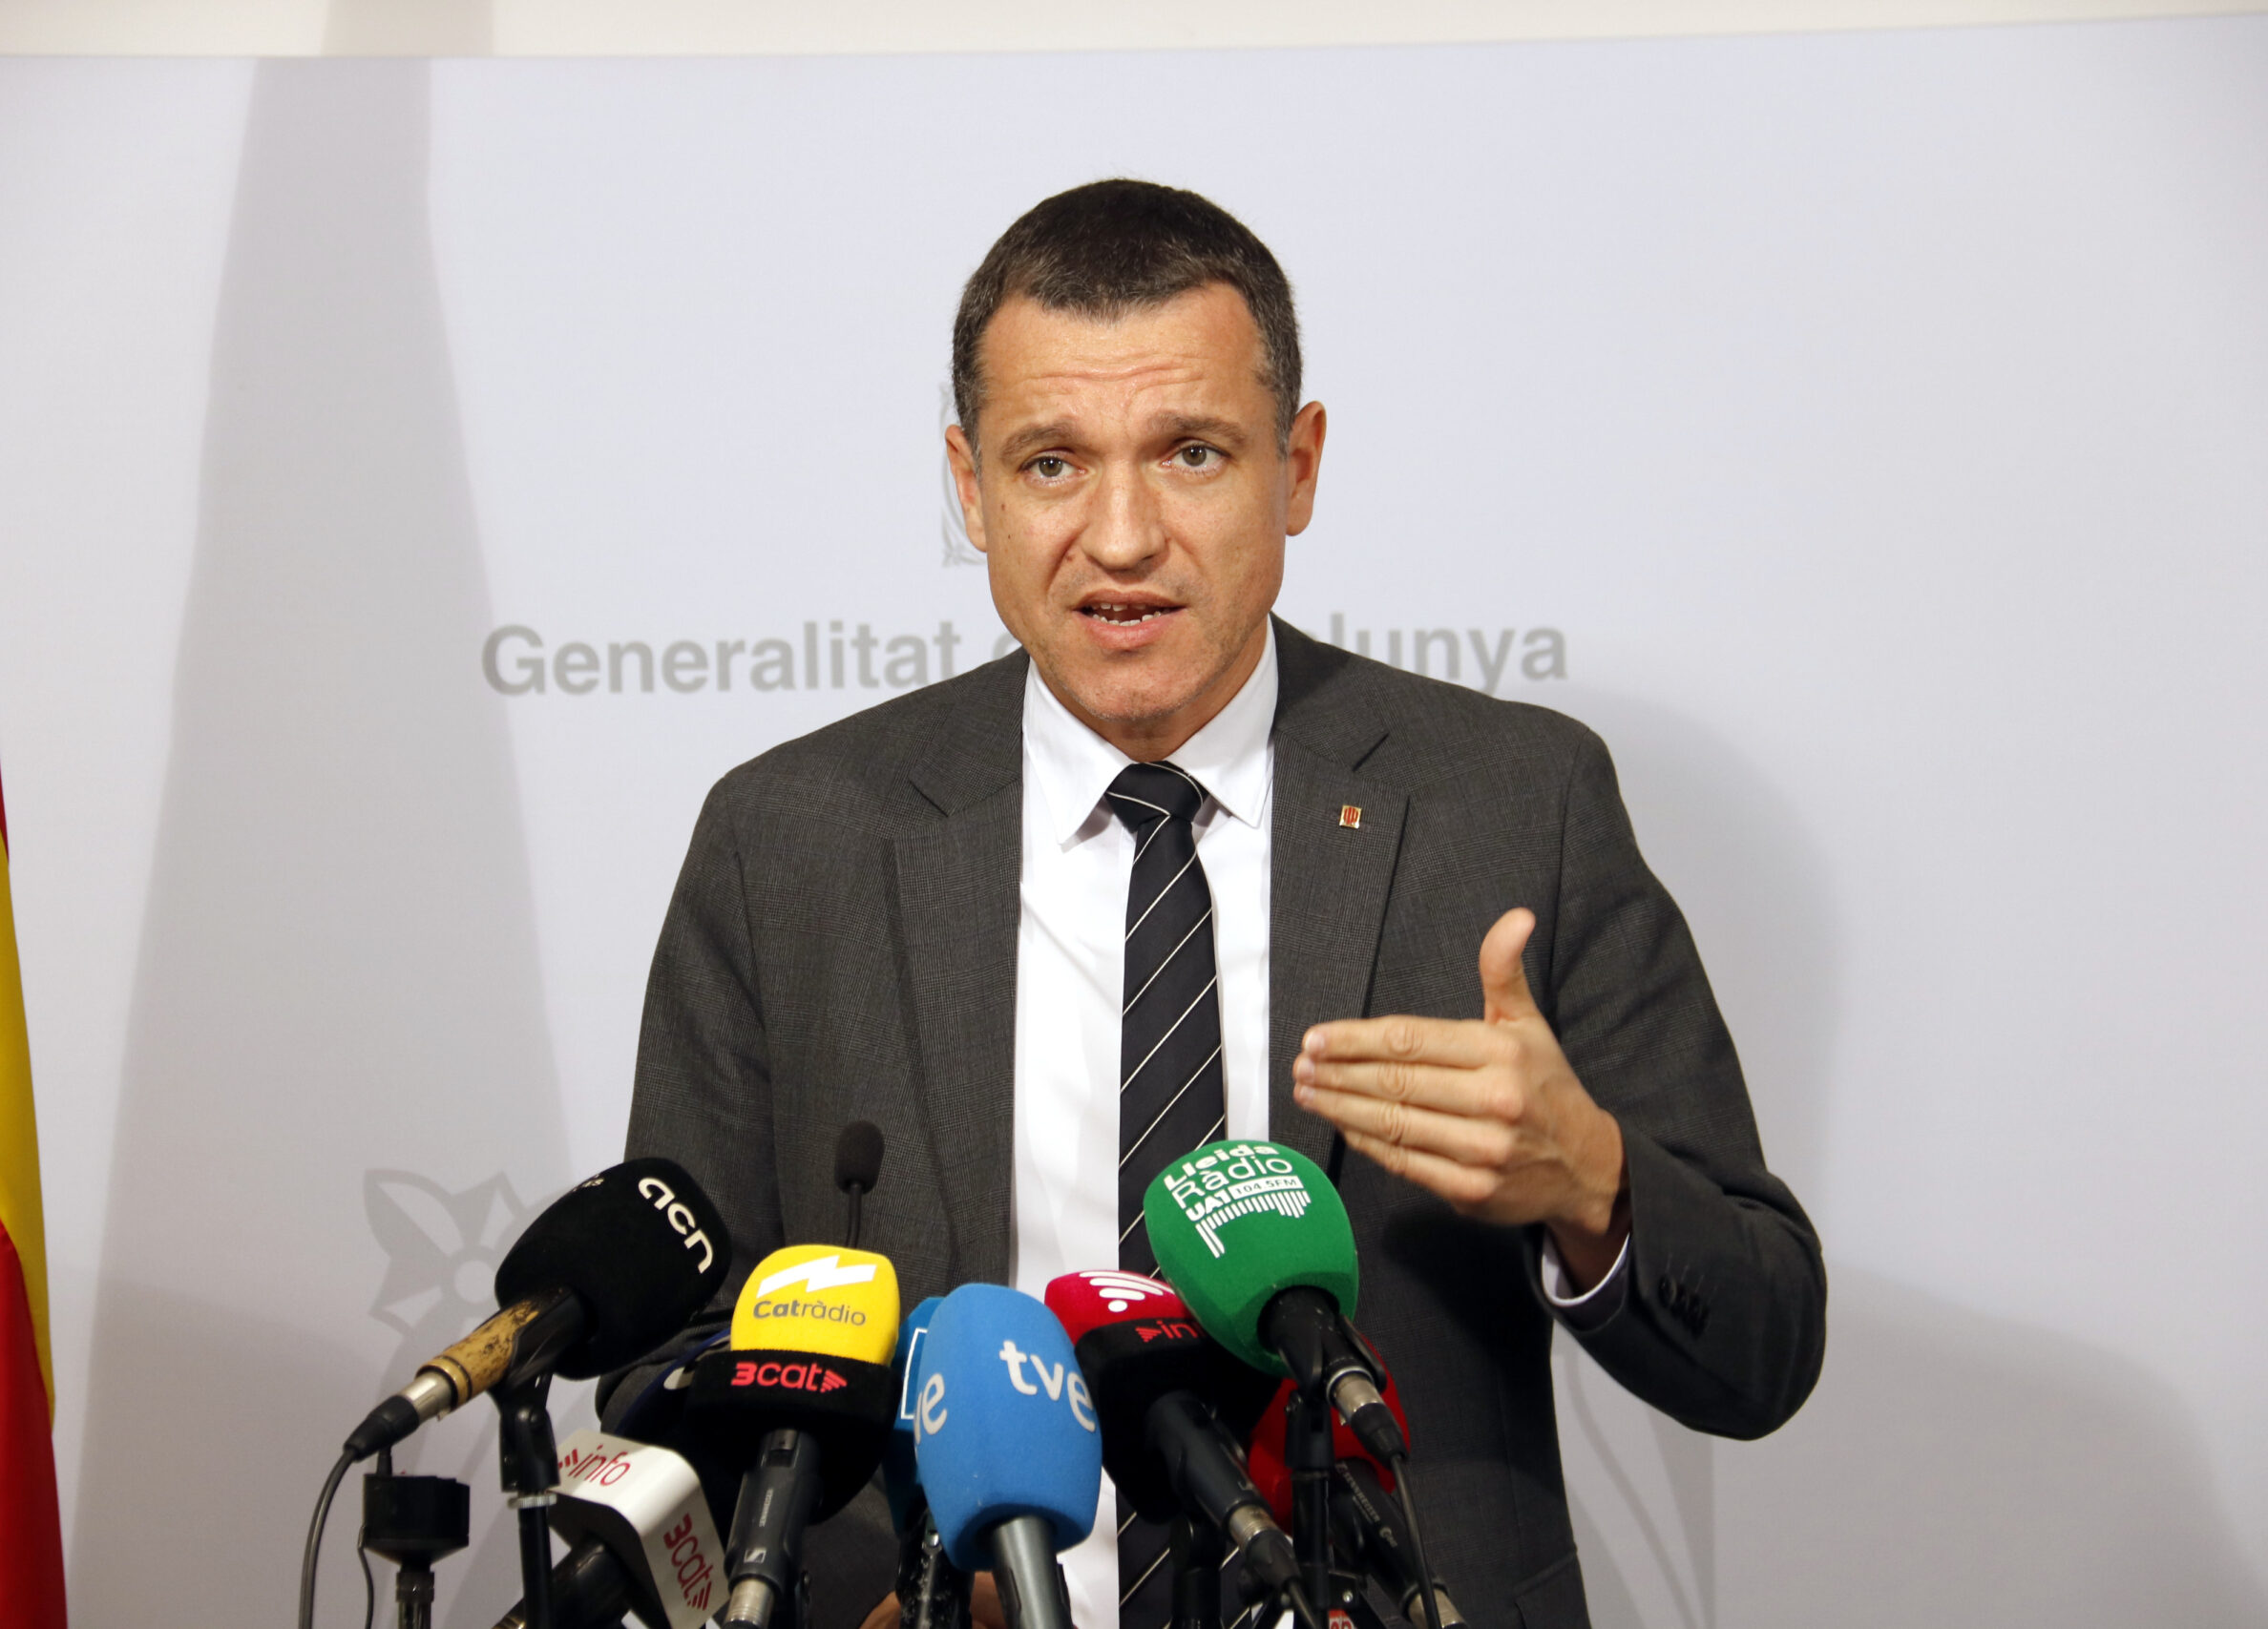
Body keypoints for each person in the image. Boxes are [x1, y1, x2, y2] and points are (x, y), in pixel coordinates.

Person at [623, 179, 1825, 1629]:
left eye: (1191, 453)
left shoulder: (1515, 805)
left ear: (1297, 469)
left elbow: (1762, 1347)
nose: (1122, 537)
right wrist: (853, 1595)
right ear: (971, 488)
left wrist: (1595, 1187)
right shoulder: (790, 839)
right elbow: (670, 1360)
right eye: (1052, 463)